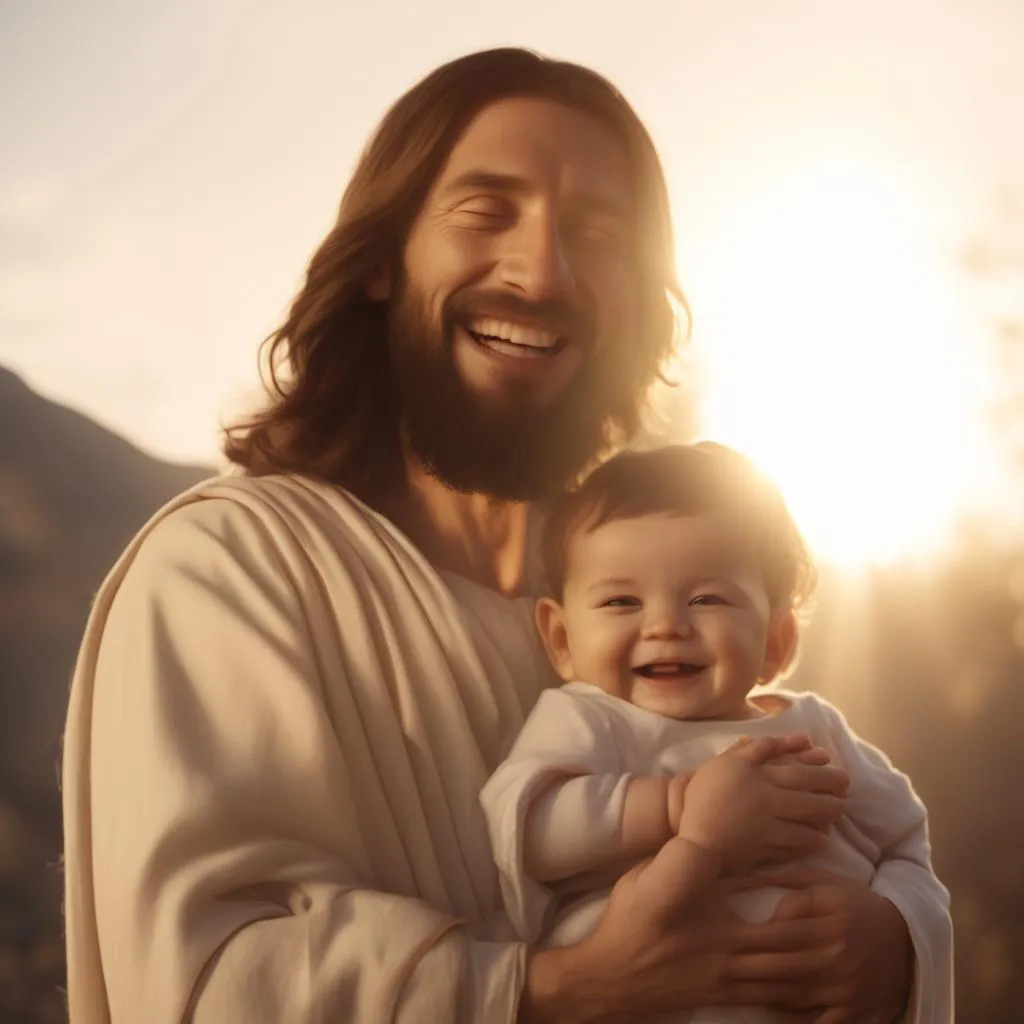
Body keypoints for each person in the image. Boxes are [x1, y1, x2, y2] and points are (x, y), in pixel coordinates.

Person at [60, 48, 949, 1023]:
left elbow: (886, 843)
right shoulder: (234, 570)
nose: (542, 271)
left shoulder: (650, 590)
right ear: (380, 265)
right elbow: (208, 975)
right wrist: (556, 990)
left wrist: (892, 945)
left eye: (597, 231)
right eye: (486, 212)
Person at [480, 443, 953, 1023]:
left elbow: (906, 839)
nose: (665, 626)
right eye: (622, 601)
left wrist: (893, 926)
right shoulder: (592, 719)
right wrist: (676, 805)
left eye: (707, 598)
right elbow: (532, 830)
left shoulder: (811, 731)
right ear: (560, 638)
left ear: (775, 644)